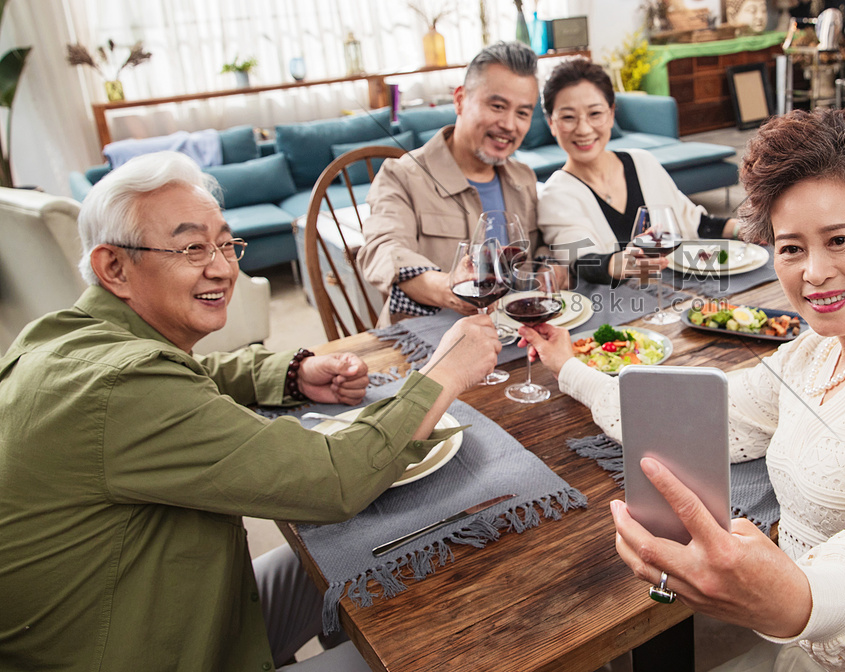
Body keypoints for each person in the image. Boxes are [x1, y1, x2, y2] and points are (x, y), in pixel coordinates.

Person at [522, 109, 845, 672]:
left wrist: (780, 599)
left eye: (840, 239)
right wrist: (568, 366)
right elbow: (682, 416)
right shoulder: (815, 353)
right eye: (792, 248)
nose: (814, 273)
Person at [0, 151, 500, 671]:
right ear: (114, 267)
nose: (221, 267)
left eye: (223, 243)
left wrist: (291, 371)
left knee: (369, 550)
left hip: (185, 609)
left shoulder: (63, 337)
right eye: (193, 247)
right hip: (154, 650)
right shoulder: (124, 386)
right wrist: (444, 372)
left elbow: (185, 377)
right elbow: (333, 479)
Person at [358, 41, 544, 321]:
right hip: (426, 343)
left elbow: (537, 251)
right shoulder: (400, 175)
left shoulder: (523, 177)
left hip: (509, 336)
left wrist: (548, 269)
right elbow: (383, 251)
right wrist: (449, 286)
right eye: (497, 106)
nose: (509, 124)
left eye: (522, 113)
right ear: (459, 100)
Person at [537, 58, 740, 285]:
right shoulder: (556, 194)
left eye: (595, 114)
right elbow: (582, 261)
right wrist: (622, 262)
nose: (583, 129)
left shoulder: (643, 162)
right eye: (567, 117)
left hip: (681, 294)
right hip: (618, 308)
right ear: (551, 123)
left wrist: (742, 229)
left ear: (612, 114)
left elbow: (694, 222)